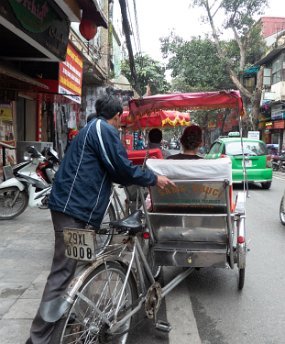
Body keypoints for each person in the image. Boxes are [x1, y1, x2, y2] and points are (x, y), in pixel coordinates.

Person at [25, 91, 174, 344]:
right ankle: (38, 338)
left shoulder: (92, 129)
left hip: (74, 209)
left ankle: (61, 318)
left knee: (69, 270)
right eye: (120, 120)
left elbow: (112, 171)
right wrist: (153, 178)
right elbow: (120, 168)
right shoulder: (102, 129)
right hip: (73, 210)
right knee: (62, 272)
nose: (119, 125)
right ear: (116, 116)